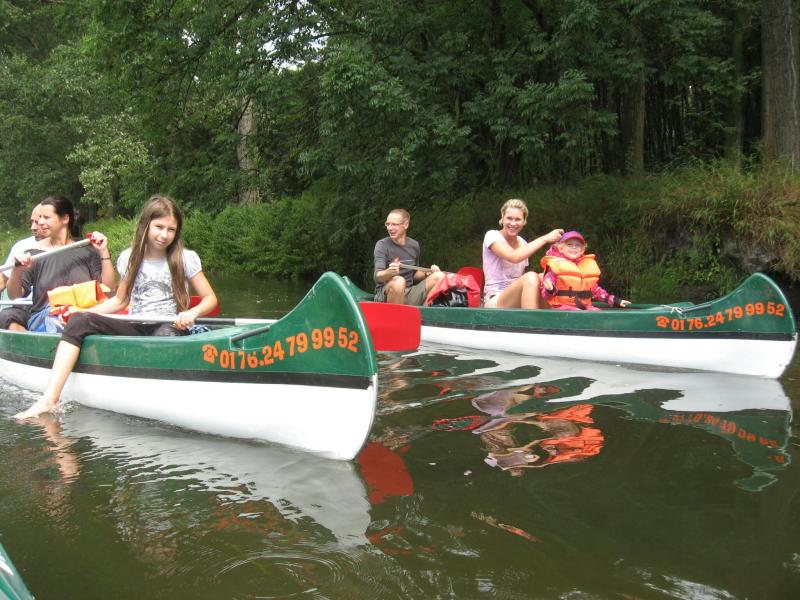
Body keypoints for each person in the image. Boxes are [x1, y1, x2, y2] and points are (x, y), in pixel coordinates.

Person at [14, 194, 218, 420]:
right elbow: (120, 301)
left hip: (169, 325)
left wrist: (192, 312)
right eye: (159, 227)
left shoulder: (186, 258)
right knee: (79, 321)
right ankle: (50, 398)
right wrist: (81, 312)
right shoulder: (129, 258)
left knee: (164, 336)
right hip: (135, 325)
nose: (164, 235)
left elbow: (210, 299)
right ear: (145, 225)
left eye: (171, 230)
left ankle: (161, 399)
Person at [4, 196, 116, 332]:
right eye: (40, 217)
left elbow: (109, 289)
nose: (40, 222)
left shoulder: (87, 251)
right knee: (62, 318)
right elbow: (15, 295)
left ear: (65, 219)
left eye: (46, 217)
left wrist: (103, 251)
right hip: (47, 317)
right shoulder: (34, 254)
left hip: (83, 314)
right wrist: (17, 271)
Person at [482, 199, 563, 309]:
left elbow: (522, 279)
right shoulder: (492, 235)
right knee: (531, 276)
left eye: (518, 219)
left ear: (524, 221)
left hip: (518, 298)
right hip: (495, 298)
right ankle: (531, 320)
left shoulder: (523, 243)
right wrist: (545, 238)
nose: (513, 223)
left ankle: (552, 317)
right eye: (509, 218)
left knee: (543, 278)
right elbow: (514, 256)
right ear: (502, 218)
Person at [540, 230, 630, 310]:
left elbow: (595, 290)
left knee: (598, 314)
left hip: (583, 306)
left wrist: (614, 300)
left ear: (582, 250)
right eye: (569, 245)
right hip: (561, 306)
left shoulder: (586, 265)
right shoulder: (555, 265)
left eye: (577, 245)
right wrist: (550, 289)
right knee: (578, 314)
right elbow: (546, 295)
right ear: (560, 248)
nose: (574, 247)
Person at [373, 208, 445, 305]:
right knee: (399, 281)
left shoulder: (414, 245)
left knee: (440, 276)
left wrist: (427, 273)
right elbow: (377, 276)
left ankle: (425, 313)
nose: (389, 228)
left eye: (394, 224)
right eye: (388, 224)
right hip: (387, 293)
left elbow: (414, 275)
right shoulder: (382, 245)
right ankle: (395, 314)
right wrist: (389, 272)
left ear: (406, 225)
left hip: (409, 292)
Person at [0, 204, 47, 330]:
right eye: (32, 222)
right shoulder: (22, 246)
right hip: (26, 308)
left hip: (54, 305)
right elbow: (2, 280)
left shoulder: (72, 246)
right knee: (8, 318)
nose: (33, 227)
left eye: (37, 222)